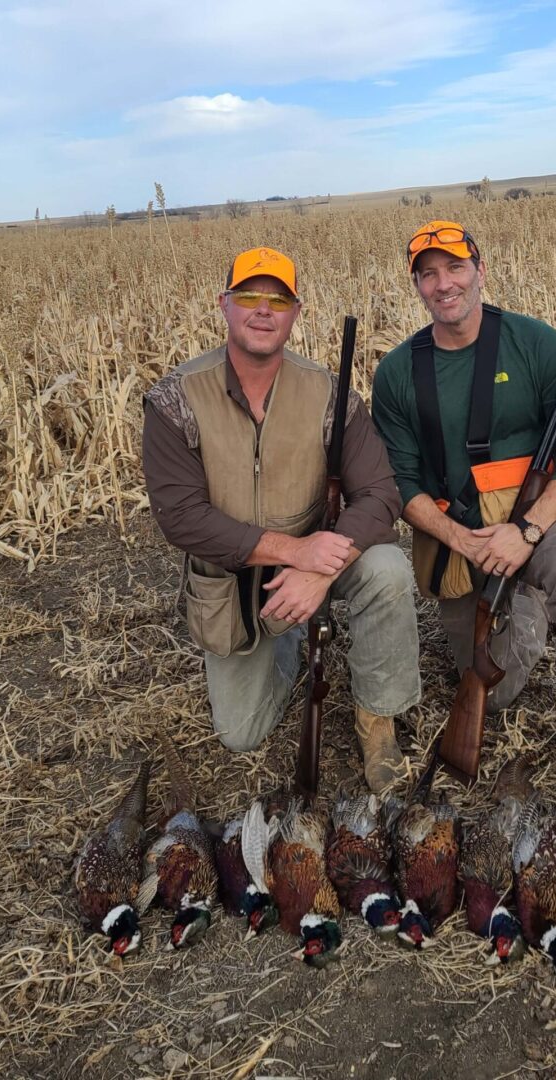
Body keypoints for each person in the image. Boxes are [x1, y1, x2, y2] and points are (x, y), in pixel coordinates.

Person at [142, 245, 420, 791]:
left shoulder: (329, 394)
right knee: (241, 735)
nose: (263, 309)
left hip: (322, 554)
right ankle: (288, 637)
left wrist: (320, 565)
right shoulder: (175, 399)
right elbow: (181, 518)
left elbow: (382, 494)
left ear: (296, 314)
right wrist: (293, 554)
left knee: (387, 569)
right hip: (234, 573)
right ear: (224, 305)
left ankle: (379, 723)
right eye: (249, 295)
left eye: (279, 299)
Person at [371, 221, 556, 810]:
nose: (444, 283)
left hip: (537, 517)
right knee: (498, 689)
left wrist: (528, 532)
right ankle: (523, 612)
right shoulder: (398, 373)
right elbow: (401, 482)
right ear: (417, 287)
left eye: (455, 267)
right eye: (428, 274)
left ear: (479, 271)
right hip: (460, 536)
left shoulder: (534, 344)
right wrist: (464, 539)